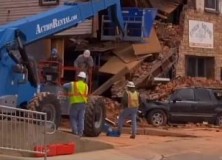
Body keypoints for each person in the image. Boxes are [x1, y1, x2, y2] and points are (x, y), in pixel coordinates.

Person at [63, 71, 88, 137]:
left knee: (73, 118)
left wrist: (67, 92)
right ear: (84, 79)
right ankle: (80, 133)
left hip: (75, 103)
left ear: (78, 77)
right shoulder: (86, 86)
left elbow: (64, 85)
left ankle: (75, 132)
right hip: (83, 104)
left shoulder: (73, 84)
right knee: (81, 119)